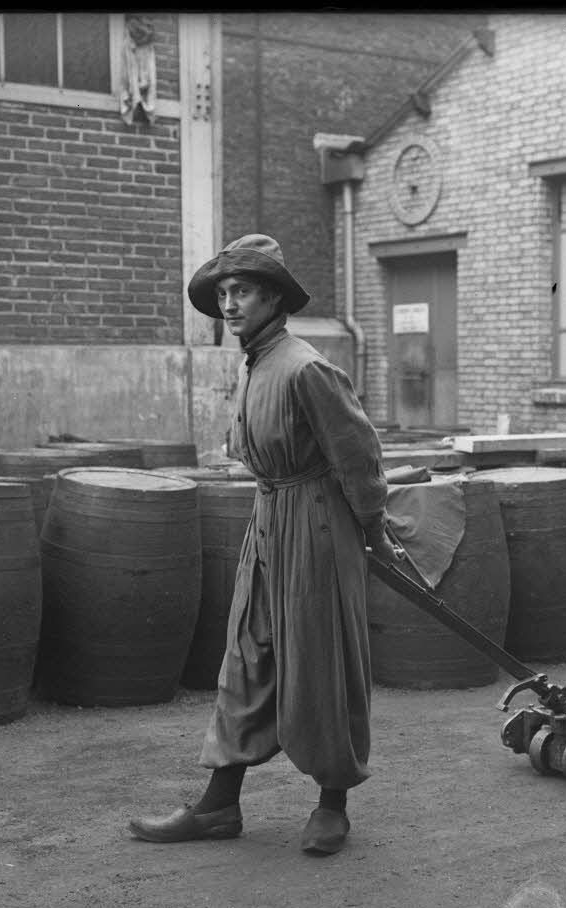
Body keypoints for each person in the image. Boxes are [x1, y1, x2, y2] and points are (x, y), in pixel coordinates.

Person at [129, 234, 404, 856]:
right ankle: (218, 806)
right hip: (269, 523)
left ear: (272, 298)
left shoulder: (307, 368)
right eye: (222, 294)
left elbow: (359, 459)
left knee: (321, 664)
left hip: (317, 529)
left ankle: (333, 805)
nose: (229, 305)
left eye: (242, 292)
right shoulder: (256, 364)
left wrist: (373, 529)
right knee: (248, 656)